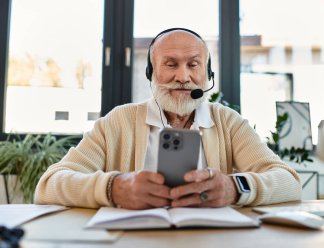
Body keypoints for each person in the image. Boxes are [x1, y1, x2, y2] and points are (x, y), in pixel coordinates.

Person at [34, 28, 301, 209]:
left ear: (207, 75)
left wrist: (235, 187)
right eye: (171, 64)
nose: (183, 77)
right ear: (151, 73)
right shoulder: (118, 122)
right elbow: (48, 186)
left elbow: (289, 181)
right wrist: (113, 188)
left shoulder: (229, 122)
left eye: (193, 64)